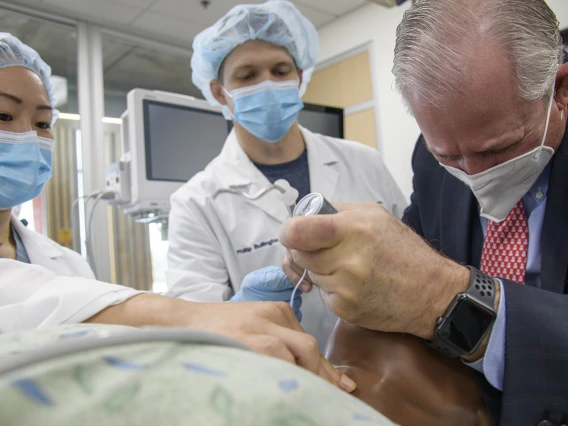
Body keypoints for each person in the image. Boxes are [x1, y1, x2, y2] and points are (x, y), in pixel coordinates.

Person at [0, 32, 355, 393]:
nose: (27, 137)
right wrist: (200, 315)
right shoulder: (197, 198)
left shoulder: (68, 265)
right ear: (219, 91)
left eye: (43, 123)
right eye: (3, 114)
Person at [277, 0, 568, 424]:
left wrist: (454, 300)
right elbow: (412, 246)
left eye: (498, 148)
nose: (475, 175)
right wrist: (352, 253)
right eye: (450, 155)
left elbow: (434, 285)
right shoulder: (431, 162)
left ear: (559, 89)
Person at [166, 0, 407, 349]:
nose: (268, 83)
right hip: (275, 379)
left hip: (385, 367)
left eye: (280, 71)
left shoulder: (363, 161)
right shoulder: (196, 202)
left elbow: (413, 247)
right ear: (219, 91)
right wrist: (238, 311)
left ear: (299, 77)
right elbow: (193, 323)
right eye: (247, 75)